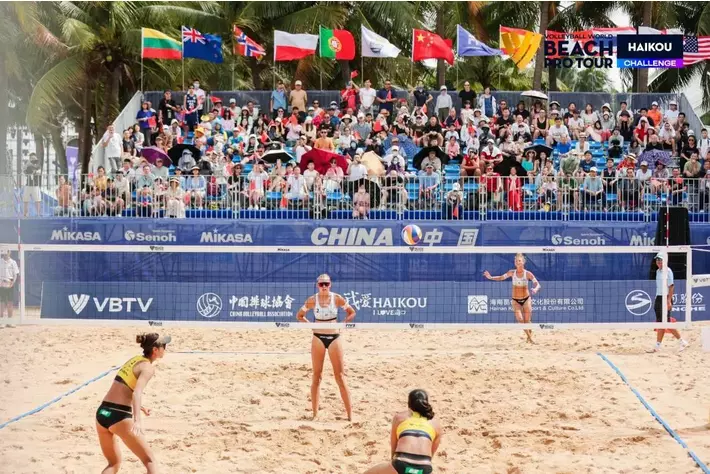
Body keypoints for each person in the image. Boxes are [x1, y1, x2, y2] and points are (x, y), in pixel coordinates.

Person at [95, 333, 170, 474]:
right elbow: (136, 392)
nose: (165, 348)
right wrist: (137, 421)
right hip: (119, 416)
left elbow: (123, 386)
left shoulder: (134, 360)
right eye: (164, 346)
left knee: (113, 463)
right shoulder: (148, 368)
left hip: (102, 413)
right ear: (155, 350)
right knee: (150, 461)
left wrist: (140, 407)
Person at [296, 274, 356, 420]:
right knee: (317, 376)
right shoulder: (312, 300)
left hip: (335, 337)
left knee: (340, 376)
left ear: (330, 284)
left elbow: (352, 312)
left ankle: (350, 415)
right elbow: (299, 315)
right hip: (318, 338)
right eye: (321, 284)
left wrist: (343, 324)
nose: (324, 287)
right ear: (317, 285)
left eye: (326, 284)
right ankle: (315, 414)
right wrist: (311, 326)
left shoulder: (337, 298)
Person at [364, 389, 443, 474]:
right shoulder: (436, 424)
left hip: (401, 464)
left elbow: (394, 448)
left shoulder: (399, 418)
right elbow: (431, 454)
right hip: (424, 468)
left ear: (409, 404)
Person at [483, 253, 540, 343]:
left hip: (526, 299)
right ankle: (530, 338)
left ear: (523, 262)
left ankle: (529, 336)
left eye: (519, 261)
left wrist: (535, 289)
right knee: (520, 320)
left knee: (527, 321)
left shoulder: (528, 274)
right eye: (516, 261)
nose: (517, 262)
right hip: (515, 300)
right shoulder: (512, 272)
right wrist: (490, 277)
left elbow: (537, 284)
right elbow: (501, 277)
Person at [647, 254, 689, 353]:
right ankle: (657, 346)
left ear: (665, 260)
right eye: (657, 260)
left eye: (660, 260)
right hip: (659, 298)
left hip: (665, 298)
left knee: (667, 322)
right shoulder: (658, 271)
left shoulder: (668, 271)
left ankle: (682, 341)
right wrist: (657, 298)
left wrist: (669, 300)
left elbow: (671, 286)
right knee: (660, 323)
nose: (658, 261)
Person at [0, 250, 19, 326]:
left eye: (7, 251)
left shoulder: (13, 262)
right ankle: (1, 321)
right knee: (1, 303)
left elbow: (15, 274)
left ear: (9, 252)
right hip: (1, 285)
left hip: (10, 285)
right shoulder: (0, 261)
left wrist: (12, 283)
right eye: (4, 251)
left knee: (10, 303)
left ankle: (10, 321)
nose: (5, 253)